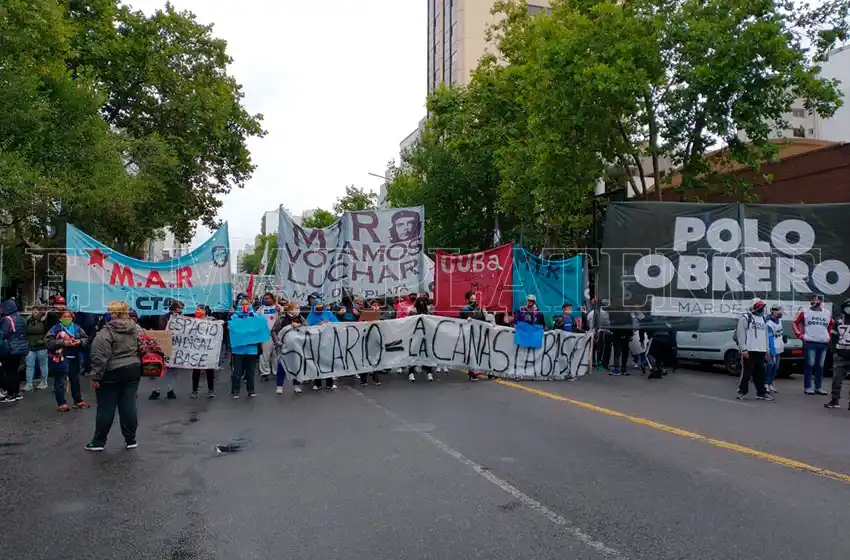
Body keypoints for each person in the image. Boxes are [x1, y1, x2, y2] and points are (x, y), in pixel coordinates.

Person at [86, 301, 145, 452]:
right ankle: (131, 439)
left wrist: (96, 377)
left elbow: (99, 357)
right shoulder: (136, 329)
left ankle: (98, 442)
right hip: (133, 369)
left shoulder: (106, 332)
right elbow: (144, 347)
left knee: (106, 407)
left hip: (111, 371)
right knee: (129, 405)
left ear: (114, 314)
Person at [45, 310, 90, 411]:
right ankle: (62, 403)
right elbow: (48, 342)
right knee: (60, 381)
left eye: (69, 317)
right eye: (64, 317)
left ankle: (77, 400)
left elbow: (85, 339)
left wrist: (80, 342)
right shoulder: (56, 328)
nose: (67, 319)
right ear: (60, 318)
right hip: (61, 357)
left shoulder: (77, 328)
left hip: (74, 357)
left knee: (75, 380)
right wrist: (64, 343)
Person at [793, 294, 833, 395]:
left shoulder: (827, 313)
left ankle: (819, 387)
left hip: (823, 342)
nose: (815, 301)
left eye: (817, 300)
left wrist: (828, 336)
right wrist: (800, 335)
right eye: (813, 300)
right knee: (810, 364)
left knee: (820, 365)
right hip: (810, 342)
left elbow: (831, 324)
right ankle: (808, 387)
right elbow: (795, 323)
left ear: (820, 301)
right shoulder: (805, 311)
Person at [735, 298, 773, 401]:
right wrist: (743, 349)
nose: (761, 309)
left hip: (761, 350)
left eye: (762, 307)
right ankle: (741, 391)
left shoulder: (764, 319)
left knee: (760, 372)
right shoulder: (745, 318)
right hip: (749, 349)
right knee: (747, 372)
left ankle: (761, 393)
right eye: (759, 307)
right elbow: (741, 335)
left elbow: (765, 336)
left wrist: (767, 350)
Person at [151, 300, 184, 400]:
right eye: (180, 308)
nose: (181, 310)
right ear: (174, 308)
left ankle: (171, 390)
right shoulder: (164, 317)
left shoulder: (183, 318)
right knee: (161, 368)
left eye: (182, 308)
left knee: (173, 370)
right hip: (165, 346)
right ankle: (156, 390)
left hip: (176, 346)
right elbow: (163, 329)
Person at [272, 302, 306, 394]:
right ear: (290, 310)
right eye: (296, 308)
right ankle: (279, 386)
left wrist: (299, 325)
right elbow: (274, 331)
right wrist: (277, 342)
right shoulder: (282, 319)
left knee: (296, 366)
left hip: (297, 347)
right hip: (284, 347)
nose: (298, 310)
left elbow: (307, 327)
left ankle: (296, 385)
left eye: (298, 308)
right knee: (282, 366)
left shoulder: (300, 318)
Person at [230, 295, 261, 399]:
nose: (245, 306)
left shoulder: (255, 317)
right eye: (242, 304)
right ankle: (235, 391)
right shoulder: (234, 317)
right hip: (238, 349)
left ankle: (251, 390)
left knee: (251, 371)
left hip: (251, 349)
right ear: (239, 305)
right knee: (237, 371)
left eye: (246, 304)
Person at [0, 299, 30, 403]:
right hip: (20, 348)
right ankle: (17, 393)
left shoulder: (6, 319)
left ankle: (10, 394)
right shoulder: (20, 318)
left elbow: (3, 334)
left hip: (10, 349)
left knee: (9, 372)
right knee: (15, 371)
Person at [305, 299, 338, 390]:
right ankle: (317, 383)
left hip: (328, 341)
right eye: (317, 305)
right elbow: (307, 327)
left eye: (321, 305)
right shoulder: (311, 316)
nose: (319, 307)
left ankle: (329, 383)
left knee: (328, 362)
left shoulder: (328, 313)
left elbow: (337, 323)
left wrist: (329, 323)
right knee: (317, 362)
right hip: (316, 342)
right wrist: (318, 325)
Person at [825, 298, 850, 409]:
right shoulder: (839, 320)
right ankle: (835, 400)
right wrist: (834, 351)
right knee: (836, 379)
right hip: (840, 355)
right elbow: (833, 336)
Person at [190, 305, 217, 399]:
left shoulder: (211, 320)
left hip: (208, 349)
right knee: (196, 371)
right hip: (196, 349)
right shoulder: (192, 321)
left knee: (209, 370)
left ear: (205, 311)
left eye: (199, 309)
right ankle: (194, 390)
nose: (197, 311)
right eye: (196, 309)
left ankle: (211, 389)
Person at [460, 292, 487, 381]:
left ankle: (476, 369)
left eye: (475, 299)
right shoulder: (464, 310)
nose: (474, 300)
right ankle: (472, 372)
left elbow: (483, 320)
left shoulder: (479, 309)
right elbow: (460, 322)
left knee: (478, 352)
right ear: (467, 300)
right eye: (472, 299)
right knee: (471, 353)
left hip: (478, 334)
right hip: (469, 335)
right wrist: (466, 320)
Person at [24, 305, 50, 391]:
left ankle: (44, 381)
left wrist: (44, 341)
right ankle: (29, 383)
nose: (35, 312)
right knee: (29, 365)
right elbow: (24, 331)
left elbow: (49, 333)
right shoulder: (28, 320)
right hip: (30, 346)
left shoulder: (45, 321)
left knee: (43, 365)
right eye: (34, 311)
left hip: (42, 346)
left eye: (37, 311)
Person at [256, 292, 280, 381]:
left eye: (267, 298)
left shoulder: (277, 307)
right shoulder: (261, 309)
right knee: (264, 355)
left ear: (272, 299)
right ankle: (265, 372)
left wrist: (279, 309)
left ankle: (276, 371)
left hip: (276, 335)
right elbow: (255, 316)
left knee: (276, 354)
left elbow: (283, 311)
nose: (265, 300)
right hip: (265, 335)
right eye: (264, 298)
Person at [587, 298, 612, 372]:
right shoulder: (604, 313)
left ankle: (594, 362)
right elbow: (608, 323)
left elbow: (588, 322)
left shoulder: (591, 313)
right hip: (601, 332)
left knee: (594, 348)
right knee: (600, 348)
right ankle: (599, 363)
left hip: (593, 331)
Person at [765, 305, 785, 393]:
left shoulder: (779, 321)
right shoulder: (769, 323)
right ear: (773, 312)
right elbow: (770, 338)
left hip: (779, 348)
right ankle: (765, 383)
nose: (781, 314)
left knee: (775, 367)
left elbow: (780, 332)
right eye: (779, 312)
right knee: (770, 365)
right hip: (771, 349)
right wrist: (772, 351)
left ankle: (771, 384)